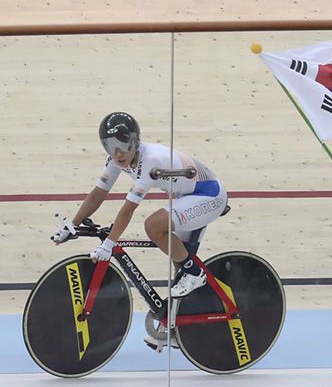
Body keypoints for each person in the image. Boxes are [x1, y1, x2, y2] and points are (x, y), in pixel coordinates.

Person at [51, 111, 228, 348]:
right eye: (110, 146)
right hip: (189, 197)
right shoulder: (116, 159)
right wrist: (72, 225)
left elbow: (128, 209)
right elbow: (97, 194)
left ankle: (195, 274)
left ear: (134, 141)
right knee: (180, 261)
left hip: (209, 196)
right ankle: (176, 327)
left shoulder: (149, 161)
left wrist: (109, 244)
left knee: (154, 226)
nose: (118, 153)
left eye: (123, 145)